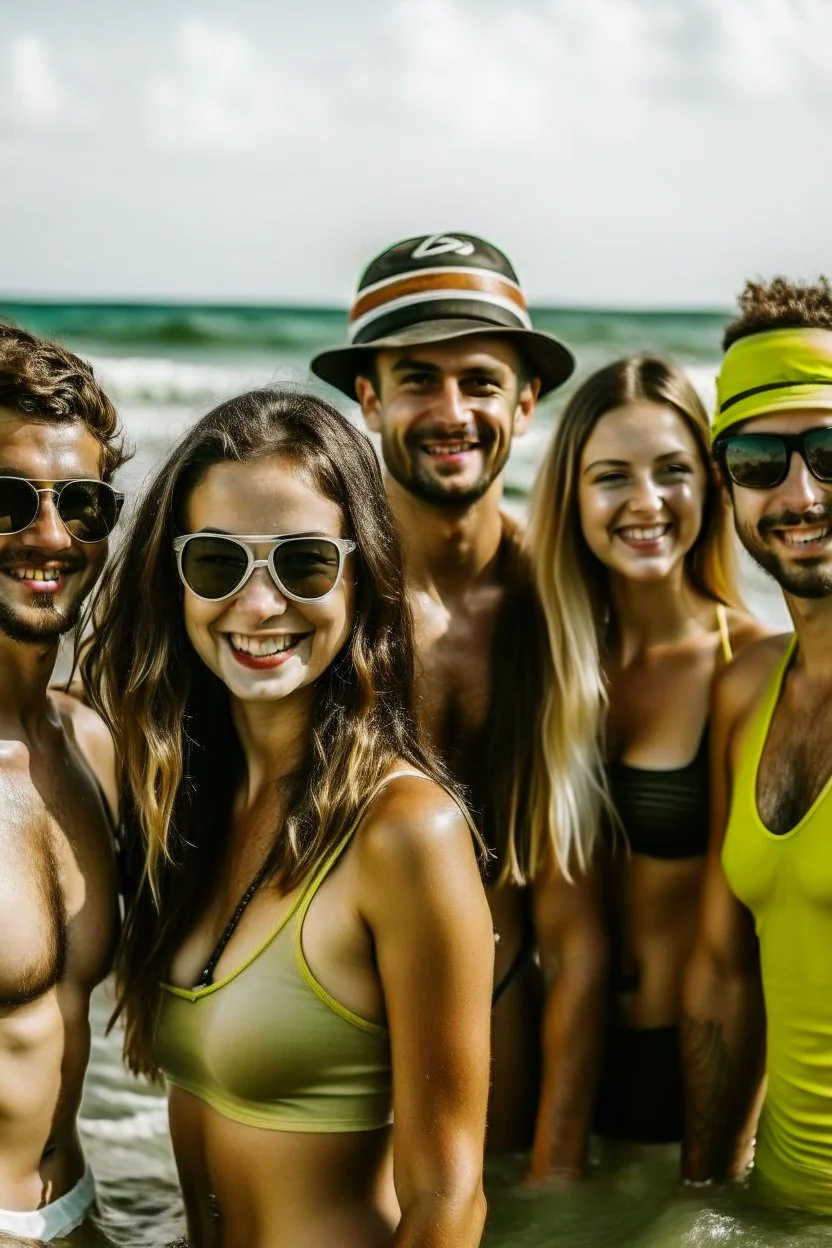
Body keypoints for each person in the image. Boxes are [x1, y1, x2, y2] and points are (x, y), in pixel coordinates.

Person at [82, 389, 493, 1248]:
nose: (260, 605)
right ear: (175, 580)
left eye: (303, 564)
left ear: (362, 576)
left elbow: (449, 1202)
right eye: (217, 563)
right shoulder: (181, 799)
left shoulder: (407, 833)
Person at [311, 232, 609, 1176]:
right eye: (417, 381)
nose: (452, 413)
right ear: (368, 398)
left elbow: (576, 925)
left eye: (480, 381)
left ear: (525, 401)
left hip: (501, 1025)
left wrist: (559, 1175)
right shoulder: (317, 602)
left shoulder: (566, 602)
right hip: (328, 1039)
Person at [528, 356, 767, 1150]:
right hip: (560, 1063)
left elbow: (737, 952)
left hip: (691, 1075)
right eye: (612, 477)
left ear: (711, 485)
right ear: (572, 496)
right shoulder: (555, 663)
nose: (647, 501)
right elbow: (562, 934)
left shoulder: (752, 664)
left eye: (672, 471)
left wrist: (712, 1173)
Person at [681, 277, 832, 1212]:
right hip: (773, 1209)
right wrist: (701, 1196)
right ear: (725, 482)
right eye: (758, 460)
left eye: (830, 451)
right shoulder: (745, 690)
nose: (801, 493)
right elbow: (721, 972)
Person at [0, 324, 124, 1243]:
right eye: (8, 499)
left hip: (79, 1213)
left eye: (82, 503)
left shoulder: (93, 742)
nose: (50, 535)